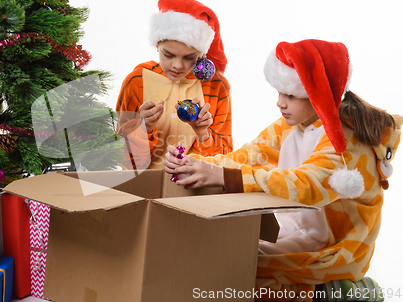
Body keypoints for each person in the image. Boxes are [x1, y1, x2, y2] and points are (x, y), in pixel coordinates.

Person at [164, 39, 402, 301]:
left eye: (290, 95)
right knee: (225, 258)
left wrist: (223, 177)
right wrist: (195, 163)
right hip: (294, 232)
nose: (280, 103)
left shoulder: (346, 140)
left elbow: (308, 185)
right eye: (279, 93)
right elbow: (249, 155)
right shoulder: (292, 125)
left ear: (319, 94)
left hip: (336, 248)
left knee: (241, 274)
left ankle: (337, 291)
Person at [116, 0, 232, 170]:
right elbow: (121, 160)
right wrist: (143, 128)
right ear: (157, 45)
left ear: (201, 53)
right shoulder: (137, 81)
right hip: (143, 188)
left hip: (194, 193)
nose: (177, 65)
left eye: (189, 57)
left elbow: (225, 162)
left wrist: (203, 135)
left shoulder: (217, 88)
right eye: (168, 55)